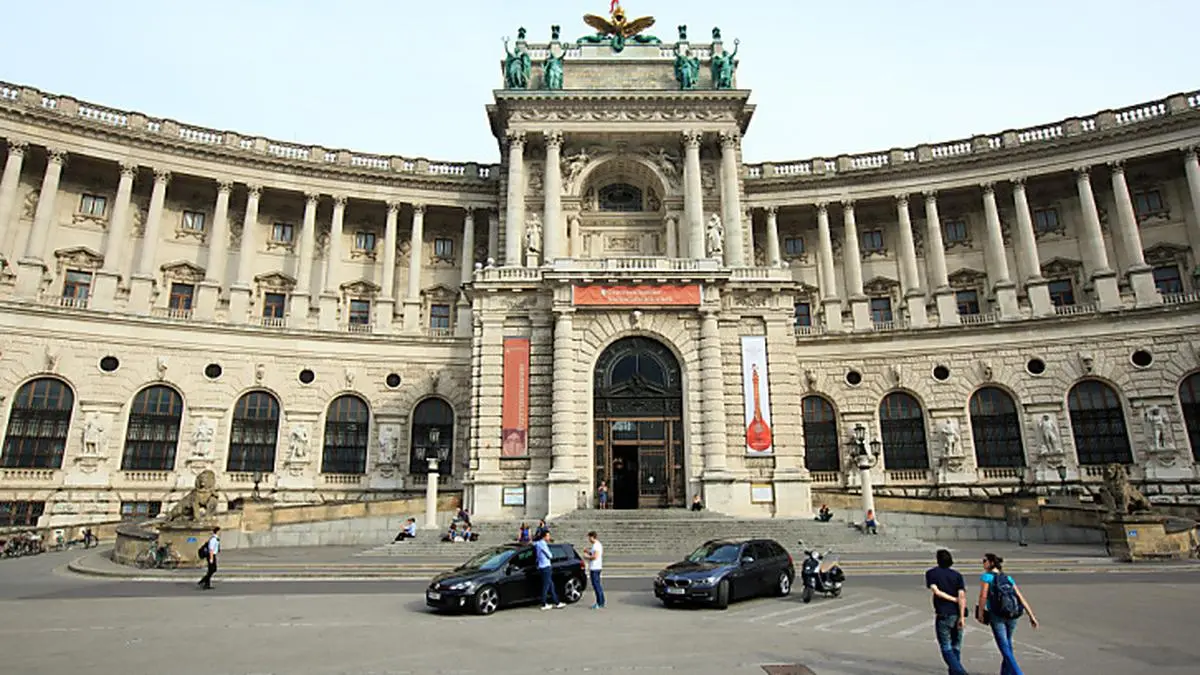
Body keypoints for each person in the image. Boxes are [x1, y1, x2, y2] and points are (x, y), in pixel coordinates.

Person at [976, 553, 1039, 675]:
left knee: (1004, 647)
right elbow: (1019, 596)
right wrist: (1031, 615)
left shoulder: (987, 577)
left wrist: (980, 613)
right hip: (1012, 614)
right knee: (1008, 643)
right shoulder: (1007, 578)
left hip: (997, 615)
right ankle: (1005, 672)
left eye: (984, 560)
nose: (983, 563)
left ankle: (1018, 673)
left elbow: (983, 596)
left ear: (991, 563)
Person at [926, 549, 969, 675]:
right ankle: (954, 672)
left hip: (943, 613)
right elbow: (962, 596)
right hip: (957, 613)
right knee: (956, 645)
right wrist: (962, 617)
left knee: (946, 646)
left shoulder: (931, 573)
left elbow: (936, 592)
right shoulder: (957, 575)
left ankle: (959, 672)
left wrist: (953, 599)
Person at [534, 531, 564, 610]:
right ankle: (544, 603)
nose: (549, 537)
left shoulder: (538, 543)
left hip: (542, 566)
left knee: (551, 585)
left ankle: (557, 602)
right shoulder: (542, 544)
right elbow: (550, 555)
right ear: (544, 536)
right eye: (548, 536)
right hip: (545, 566)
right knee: (546, 585)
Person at [582, 531, 605, 609]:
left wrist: (586, 557)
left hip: (595, 568)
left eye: (589, 537)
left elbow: (595, 556)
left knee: (596, 586)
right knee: (598, 585)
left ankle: (599, 603)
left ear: (592, 537)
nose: (589, 539)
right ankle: (601, 602)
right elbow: (593, 554)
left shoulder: (596, 545)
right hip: (596, 567)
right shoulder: (596, 545)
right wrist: (588, 552)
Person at [197, 526, 220, 590]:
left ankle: (207, 584)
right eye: (219, 531)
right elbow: (211, 549)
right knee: (213, 569)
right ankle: (203, 580)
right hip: (211, 555)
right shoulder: (213, 539)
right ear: (217, 532)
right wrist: (211, 558)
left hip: (212, 555)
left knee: (211, 570)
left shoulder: (215, 538)